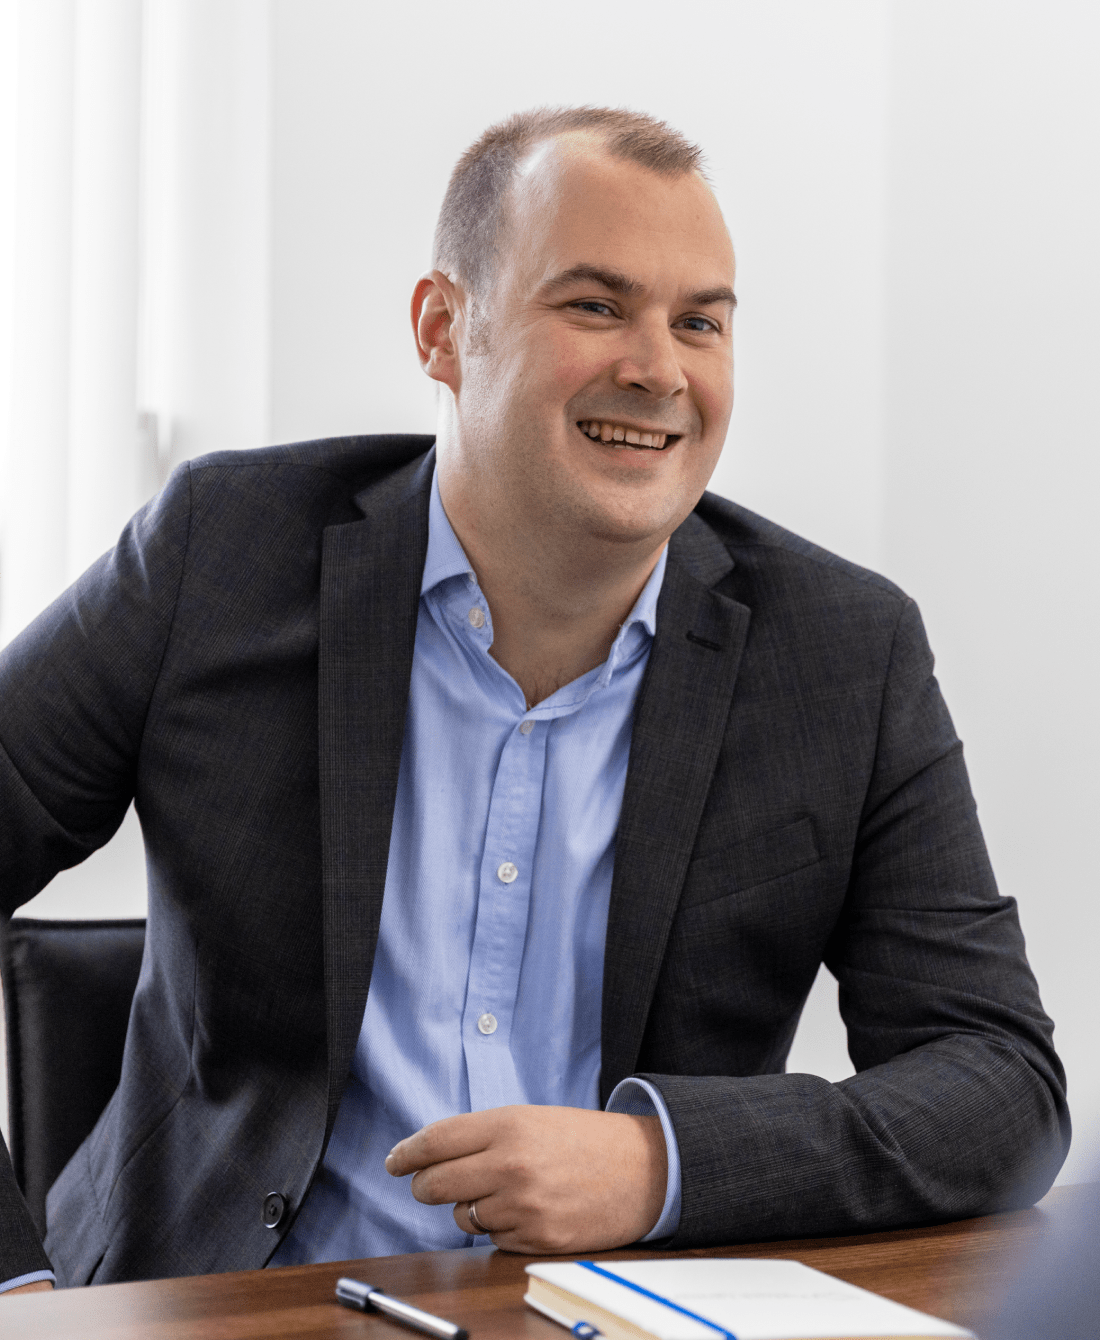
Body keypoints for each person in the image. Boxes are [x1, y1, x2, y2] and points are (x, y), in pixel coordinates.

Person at [0, 107, 1068, 1295]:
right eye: (595, 305)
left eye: (699, 321)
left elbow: (999, 1081)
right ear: (443, 329)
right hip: (217, 1306)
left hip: (612, 1310)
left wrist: (659, 1161)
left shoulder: (843, 653)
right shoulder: (219, 556)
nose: (658, 369)